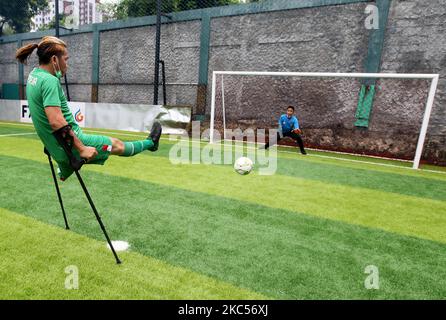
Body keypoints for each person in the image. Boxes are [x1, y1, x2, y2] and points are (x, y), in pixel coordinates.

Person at [16, 36, 162, 180]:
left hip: (57, 146)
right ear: (54, 60)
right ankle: (151, 143)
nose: (67, 65)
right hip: (71, 145)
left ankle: (64, 170)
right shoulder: (49, 81)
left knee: (66, 159)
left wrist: (51, 143)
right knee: (117, 145)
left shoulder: (34, 76)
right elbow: (56, 121)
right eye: (65, 60)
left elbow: (40, 115)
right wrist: (82, 148)